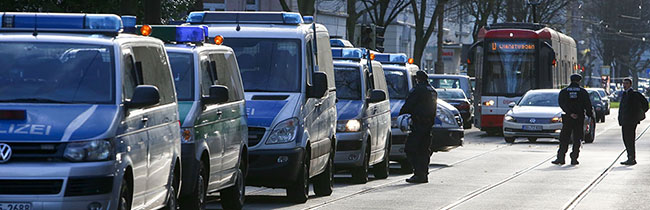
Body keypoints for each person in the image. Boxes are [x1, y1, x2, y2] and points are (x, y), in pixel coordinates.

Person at [399, 70, 437, 183]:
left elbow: (409, 104)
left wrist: (401, 115)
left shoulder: (418, 90)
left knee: (411, 148)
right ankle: (423, 173)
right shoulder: (432, 91)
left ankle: (418, 173)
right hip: (428, 125)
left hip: (418, 124)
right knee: (424, 150)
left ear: (417, 79)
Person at [552, 74, 593, 165]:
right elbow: (588, 104)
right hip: (579, 117)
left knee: (564, 138)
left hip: (568, 117)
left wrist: (570, 113)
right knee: (577, 137)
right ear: (579, 81)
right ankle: (574, 158)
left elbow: (561, 103)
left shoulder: (564, 91)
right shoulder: (583, 92)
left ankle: (561, 157)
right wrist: (589, 115)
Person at [618, 78, 649, 165]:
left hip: (631, 121)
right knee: (625, 139)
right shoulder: (624, 94)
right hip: (624, 120)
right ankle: (630, 156)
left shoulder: (634, 94)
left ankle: (631, 158)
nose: (624, 85)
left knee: (630, 139)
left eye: (626, 84)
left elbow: (645, 104)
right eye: (623, 84)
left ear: (630, 84)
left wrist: (639, 114)